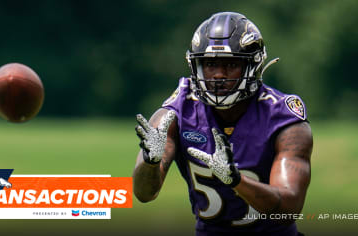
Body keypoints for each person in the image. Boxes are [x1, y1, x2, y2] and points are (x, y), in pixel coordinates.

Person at [133, 12, 312, 236]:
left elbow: (288, 209)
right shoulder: (175, 114)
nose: (218, 75)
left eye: (230, 64)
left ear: (253, 66)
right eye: (210, 64)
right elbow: (143, 194)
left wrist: (236, 181)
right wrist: (150, 163)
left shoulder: (282, 118)